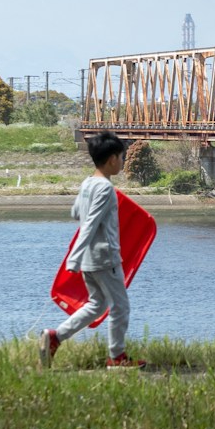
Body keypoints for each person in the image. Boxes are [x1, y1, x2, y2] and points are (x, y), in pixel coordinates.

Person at [44, 131, 137, 368]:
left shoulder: (87, 183)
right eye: (121, 157)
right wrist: (72, 260)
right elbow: (91, 223)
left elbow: (76, 213)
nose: (123, 162)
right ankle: (116, 357)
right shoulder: (105, 188)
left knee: (97, 305)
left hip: (89, 259)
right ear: (112, 159)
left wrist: (77, 258)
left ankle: (56, 336)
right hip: (104, 257)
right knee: (120, 308)